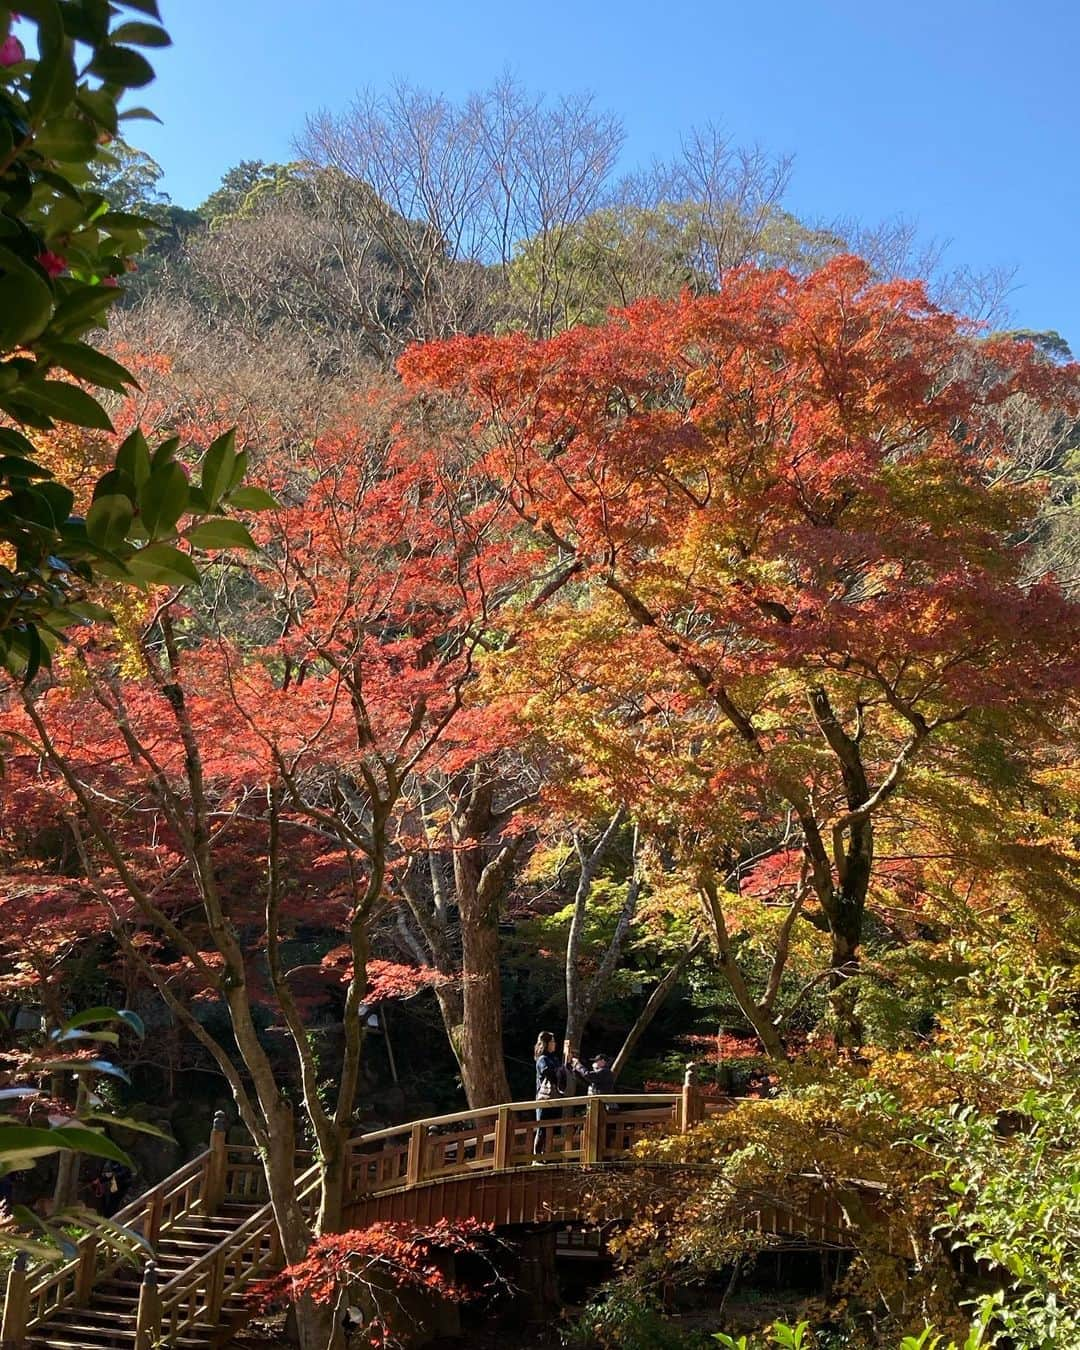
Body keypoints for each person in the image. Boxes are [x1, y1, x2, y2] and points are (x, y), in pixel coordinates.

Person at [533, 1030, 566, 1157]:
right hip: (544, 1098)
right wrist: (560, 1070)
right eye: (552, 1041)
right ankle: (537, 1156)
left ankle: (548, 1155)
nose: (554, 1044)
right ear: (546, 1043)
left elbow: (561, 1076)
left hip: (555, 1096)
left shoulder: (555, 1059)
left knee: (552, 1128)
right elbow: (550, 1074)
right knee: (542, 1129)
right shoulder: (543, 1059)